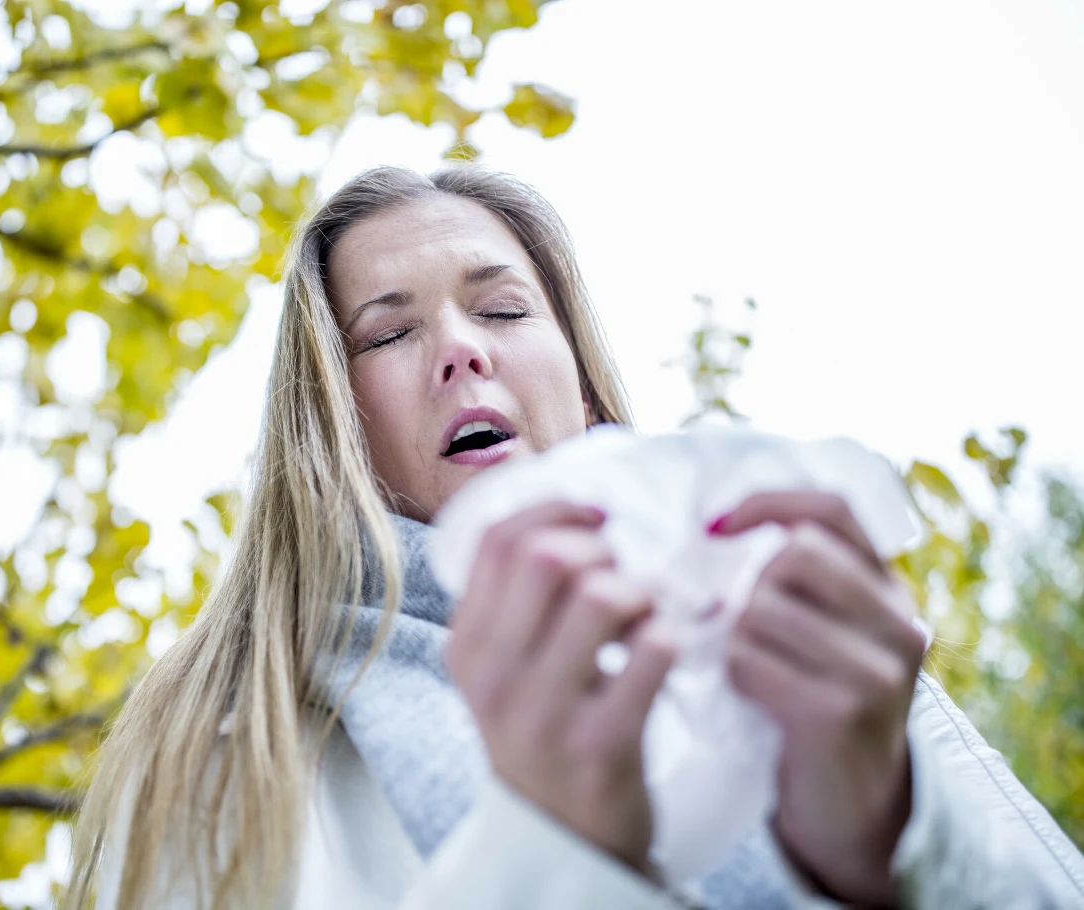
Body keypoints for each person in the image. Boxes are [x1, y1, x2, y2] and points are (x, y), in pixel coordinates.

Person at [62, 166, 1084, 909]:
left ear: (585, 386)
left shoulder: (802, 644)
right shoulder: (230, 734)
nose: (460, 349)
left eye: (502, 308)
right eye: (389, 331)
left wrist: (891, 838)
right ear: (330, 421)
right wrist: (547, 849)